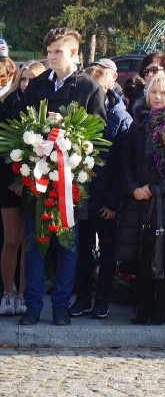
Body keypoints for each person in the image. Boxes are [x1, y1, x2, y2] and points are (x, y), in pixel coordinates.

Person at [16, 28, 106, 327]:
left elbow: (101, 136)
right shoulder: (39, 85)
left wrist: (68, 132)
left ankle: (60, 308)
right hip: (37, 179)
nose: (51, 57)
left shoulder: (89, 88)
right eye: (49, 51)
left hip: (71, 184)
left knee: (67, 246)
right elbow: (19, 123)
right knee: (34, 243)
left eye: (58, 51)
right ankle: (32, 307)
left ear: (74, 54)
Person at [116, 72, 165, 326]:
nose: (157, 97)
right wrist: (134, 188)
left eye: (162, 92)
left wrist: (159, 188)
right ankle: (143, 307)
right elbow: (125, 160)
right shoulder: (137, 122)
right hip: (140, 199)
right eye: (153, 92)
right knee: (142, 255)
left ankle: (161, 309)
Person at [67, 61, 133, 320]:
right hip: (83, 196)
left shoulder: (120, 116)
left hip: (107, 199)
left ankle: (102, 301)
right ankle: (82, 298)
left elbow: (121, 164)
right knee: (82, 250)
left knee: (107, 251)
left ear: (108, 84)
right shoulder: (80, 111)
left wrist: (113, 202)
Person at [0, 58, 24, 316]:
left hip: (34, 183)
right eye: (24, 79)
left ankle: (24, 294)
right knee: (10, 240)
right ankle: (8, 292)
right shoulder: (6, 105)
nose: (26, 83)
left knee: (29, 243)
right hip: (6, 183)